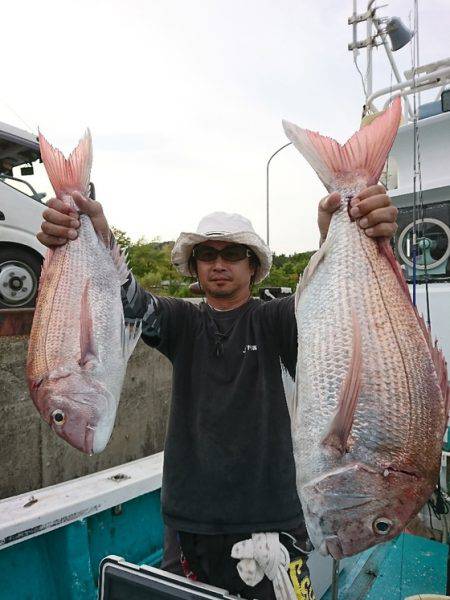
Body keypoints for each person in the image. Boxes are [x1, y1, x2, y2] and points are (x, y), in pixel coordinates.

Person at [37, 185, 398, 599]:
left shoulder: (277, 319)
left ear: (252, 266)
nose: (219, 264)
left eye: (232, 254)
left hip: (274, 519)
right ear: (194, 267)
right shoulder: (181, 322)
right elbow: (129, 303)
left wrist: (335, 238)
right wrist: (95, 235)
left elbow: (330, 301)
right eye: (206, 255)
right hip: (188, 521)